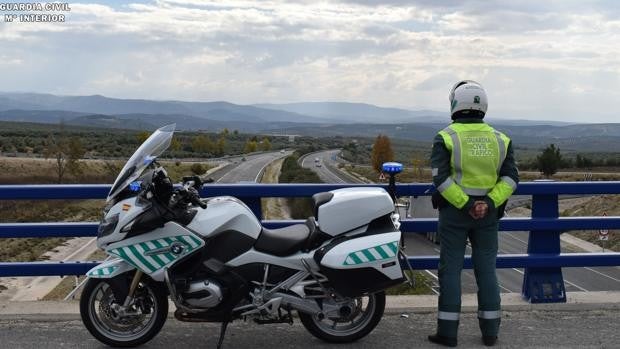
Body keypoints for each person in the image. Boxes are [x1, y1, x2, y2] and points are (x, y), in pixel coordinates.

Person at [428, 80, 519, 347]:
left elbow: (440, 180)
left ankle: (448, 333)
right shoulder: (501, 139)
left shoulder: (445, 137)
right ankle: (490, 332)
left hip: (455, 214)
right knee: (487, 271)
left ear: (455, 104)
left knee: (450, 271)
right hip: (488, 216)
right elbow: (512, 178)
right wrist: (488, 203)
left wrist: (466, 204)